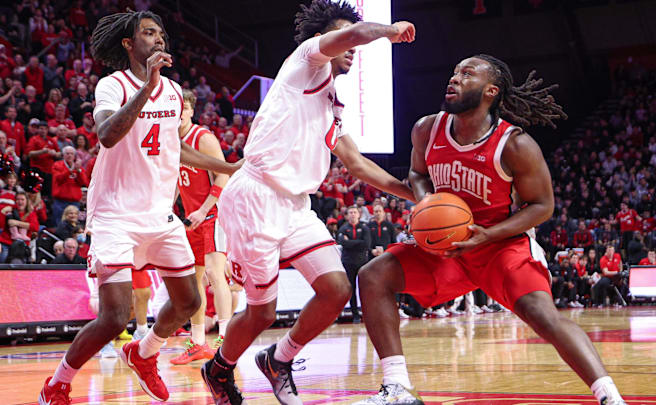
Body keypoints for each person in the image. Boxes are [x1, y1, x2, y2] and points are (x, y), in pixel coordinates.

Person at [353, 54, 625, 405]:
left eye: (466, 74)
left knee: (542, 315)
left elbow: (543, 206)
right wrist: (426, 205)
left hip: (500, 244)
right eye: (454, 72)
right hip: (447, 247)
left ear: (490, 91)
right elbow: (418, 174)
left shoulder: (515, 144)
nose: (454, 78)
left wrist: (486, 235)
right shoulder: (426, 129)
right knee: (372, 276)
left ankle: (609, 396)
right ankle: (398, 388)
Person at [201, 2, 416, 404]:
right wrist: (389, 30)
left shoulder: (332, 102)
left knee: (336, 290)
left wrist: (413, 193)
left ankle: (278, 359)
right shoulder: (305, 62)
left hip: (296, 205)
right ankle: (218, 368)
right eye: (342, 36)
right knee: (262, 312)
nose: (351, 46)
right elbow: (350, 37)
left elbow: (355, 163)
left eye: (351, 38)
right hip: (256, 198)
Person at [39, 10, 240, 405]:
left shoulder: (172, 91)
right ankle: (58, 383)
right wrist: (145, 88)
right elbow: (107, 135)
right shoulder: (112, 85)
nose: (159, 39)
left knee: (190, 301)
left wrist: (228, 166)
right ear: (129, 44)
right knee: (114, 317)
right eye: (149, 33)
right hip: (115, 213)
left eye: (161, 33)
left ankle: (143, 353)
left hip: (159, 214)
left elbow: (175, 148)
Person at [170, 89, 233, 365]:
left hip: (213, 214)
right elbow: (175, 181)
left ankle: (226, 339)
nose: (178, 113)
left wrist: (204, 209)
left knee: (214, 274)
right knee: (192, 281)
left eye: (182, 108)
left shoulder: (202, 137)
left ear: (191, 111)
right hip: (191, 219)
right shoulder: (171, 141)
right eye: (174, 108)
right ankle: (197, 343)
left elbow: (224, 174)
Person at [336, 205, 370, 322]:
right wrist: (356, 243)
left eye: (354, 212)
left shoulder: (364, 228)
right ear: (347, 215)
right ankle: (355, 315)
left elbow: (366, 244)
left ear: (359, 214)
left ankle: (366, 313)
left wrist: (349, 242)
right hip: (348, 262)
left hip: (362, 262)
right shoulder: (343, 228)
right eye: (350, 212)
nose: (352, 214)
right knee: (351, 289)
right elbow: (342, 243)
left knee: (364, 289)